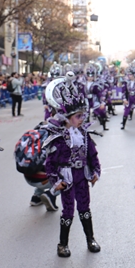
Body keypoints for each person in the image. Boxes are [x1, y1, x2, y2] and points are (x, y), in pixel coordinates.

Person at [43, 72, 102, 258]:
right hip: (67, 178)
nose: (82, 119)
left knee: (85, 208)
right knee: (68, 211)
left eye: (83, 115)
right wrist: (56, 181)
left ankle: (90, 239)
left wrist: (95, 171)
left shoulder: (84, 134)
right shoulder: (58, 138)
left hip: (81, 175)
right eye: (78, 116)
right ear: (67, 118)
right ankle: (62, 244)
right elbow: (50, 163)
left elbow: (92, 154)